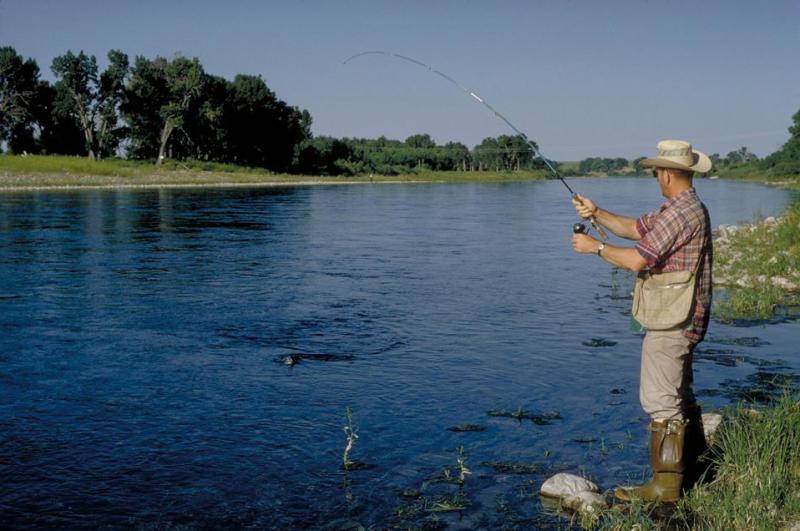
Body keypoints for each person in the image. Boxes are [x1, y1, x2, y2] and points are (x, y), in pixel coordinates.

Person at [571, 139, 713, 503]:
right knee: (680, 394)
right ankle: (697, 469)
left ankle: (665, 491)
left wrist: (595, 248)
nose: (655, 177)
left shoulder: (682, 213)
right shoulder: (681, 207)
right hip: (682, 317)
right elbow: (636, 228)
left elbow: (638, 259)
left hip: (674, 322)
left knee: (660, 401)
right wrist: (596, 212)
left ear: (665, 173)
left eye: (655, 172)